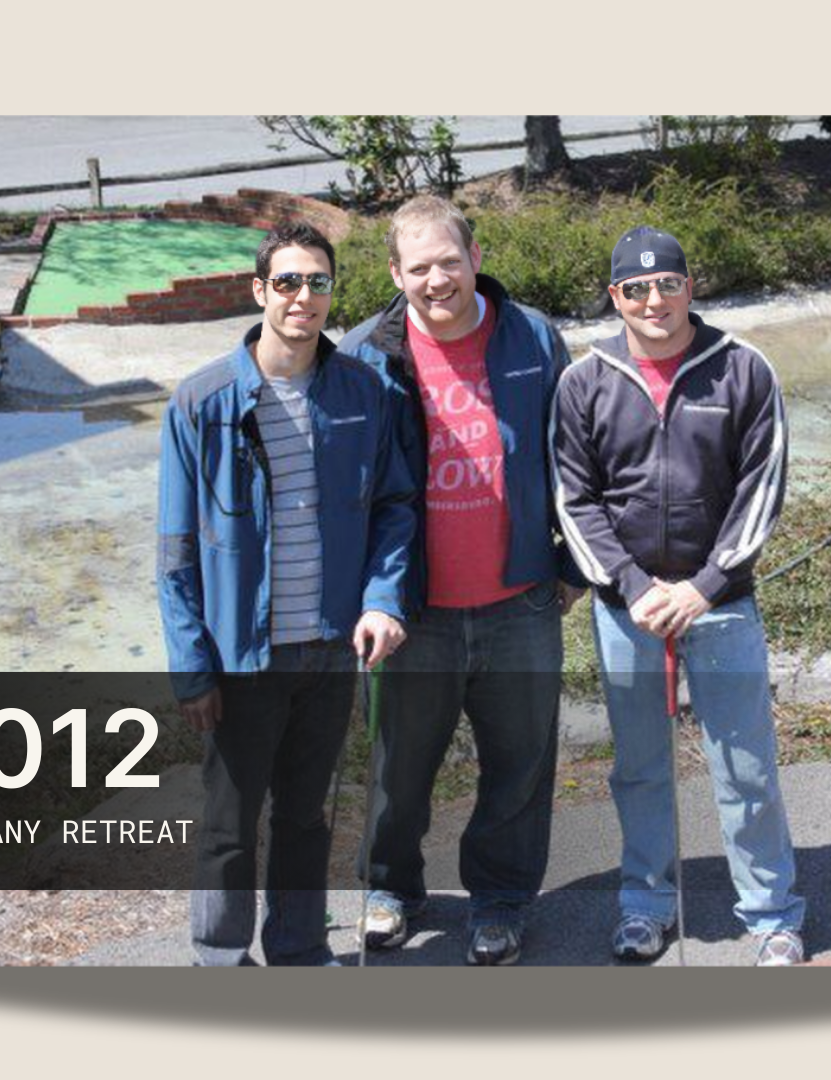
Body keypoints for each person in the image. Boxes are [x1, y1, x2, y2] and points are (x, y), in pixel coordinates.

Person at [157, 221, 415, 966]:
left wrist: (383, 599)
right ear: (259, 291)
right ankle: (220, 960)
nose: (304, 297)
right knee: (230, 821)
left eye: (319, 282)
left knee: (307, 817)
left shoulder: (364, 392)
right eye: (289, 282)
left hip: (330, 647)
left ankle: (300, 950)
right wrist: (192, 669)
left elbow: (395, 506)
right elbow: (174, 553)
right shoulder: (201, 402)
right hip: (242, 657)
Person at [551, 226, 807, 966]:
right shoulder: (584, 381)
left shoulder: (743, 371)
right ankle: (645, 904)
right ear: (616, 297)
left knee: (746, 766)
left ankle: (771, 915)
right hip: (626, 611)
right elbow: (575, 499)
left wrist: (703, 587)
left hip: (721, 605)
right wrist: (631, 587)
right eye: (636, 288)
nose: (654, 300)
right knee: (639, 766)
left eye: (668, 283)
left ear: (691, 285)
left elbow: (761, 490)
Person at [339, 195, 583, 965]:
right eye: (419, 267)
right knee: (397, 772)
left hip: (520, 603)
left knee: (519, 768)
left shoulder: (535, 337)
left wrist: (573, 565)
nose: (436, 279)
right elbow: (349, 489)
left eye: (449, 261)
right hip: (415, 613)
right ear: (394, 274)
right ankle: (390, 888)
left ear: (476, 258)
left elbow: (579, 458)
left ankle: (501, 901)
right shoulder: (364, 356)